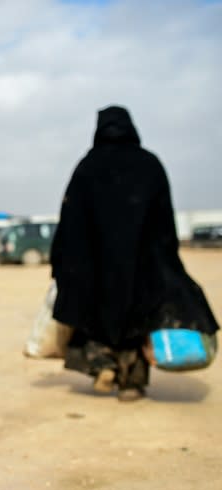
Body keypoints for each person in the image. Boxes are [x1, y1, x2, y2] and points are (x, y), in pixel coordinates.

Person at [51, 105, 219, 401]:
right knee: (138, 321)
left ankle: (104, 364)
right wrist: (166, 259)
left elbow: (70, 222)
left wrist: (64, 263)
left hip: (95, 269)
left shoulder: (87, 167)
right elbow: (164, 220)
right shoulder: (150, 165)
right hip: (142, 266)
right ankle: (131, 383)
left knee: (94, 318)